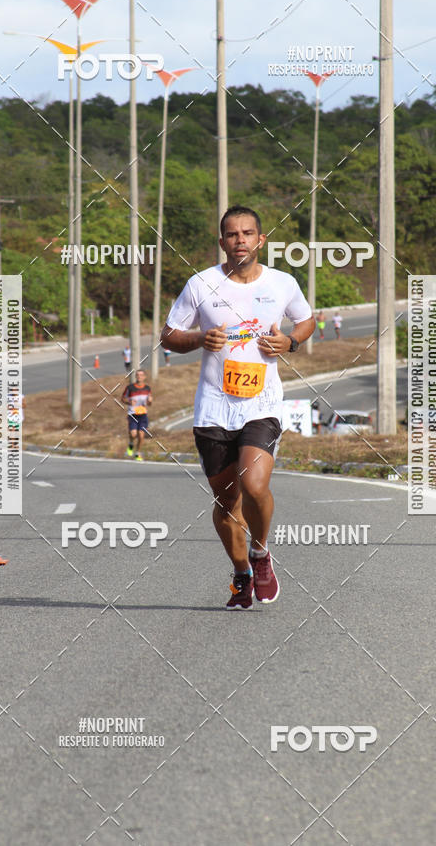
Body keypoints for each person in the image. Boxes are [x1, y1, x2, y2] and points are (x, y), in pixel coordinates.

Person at [161, 205, 315, 609]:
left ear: (260, 240)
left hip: (262, 405)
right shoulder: (201, 284)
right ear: (222, 242)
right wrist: (198, 339)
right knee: (225, 501)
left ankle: (261, 554)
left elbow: (306, 320)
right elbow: (169, 335)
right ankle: (242, 572)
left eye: (248, 233)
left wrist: (292, 342)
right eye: (232, 234)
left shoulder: (282, 283)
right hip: (213, 407)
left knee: (254, 485)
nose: (240, 240)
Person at [122, 370, 152, 461]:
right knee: (133, 434)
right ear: (136, 377)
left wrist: (150, 401)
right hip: (132, 414)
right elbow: (123, 398)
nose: (139, 377)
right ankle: (131, 443)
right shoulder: (130, 388)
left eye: (141, 375)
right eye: (137, 375)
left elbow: (149, 402)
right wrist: (129, 401)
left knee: (141, 435)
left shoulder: (147, 388)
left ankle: (138, 453)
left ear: (144, 377)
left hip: (143, 414)